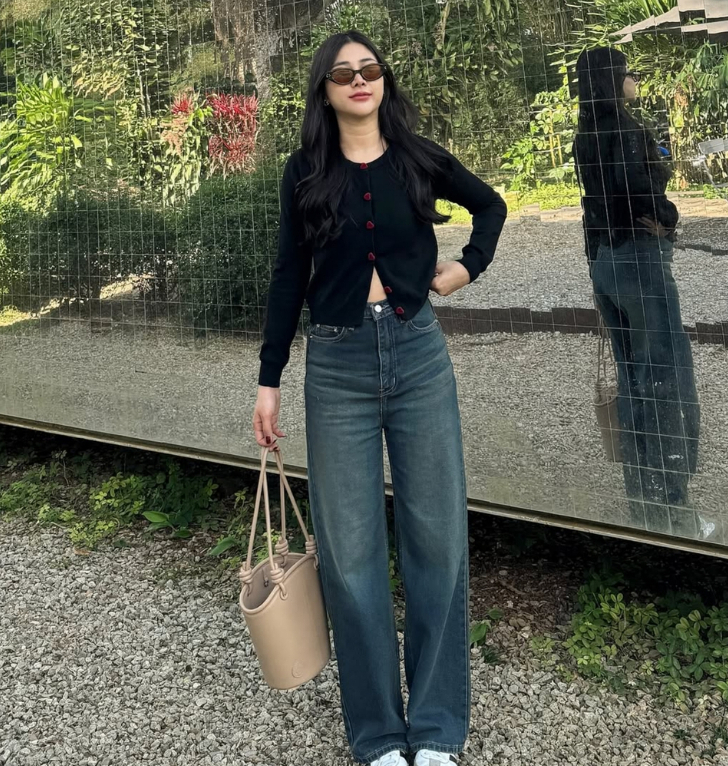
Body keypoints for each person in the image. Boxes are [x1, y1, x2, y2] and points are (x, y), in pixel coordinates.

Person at [251, 29, 507, 766]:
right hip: (337, 369)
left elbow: (490, 208)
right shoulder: (305, 172)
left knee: (437, 540)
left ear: (384, 81)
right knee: (351, 554)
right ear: (325, 91)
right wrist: (269, 379)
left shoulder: (418, 158)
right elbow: (288, 274)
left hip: (419, 357)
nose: (359, 80)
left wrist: (466, 268)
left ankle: (436, 727)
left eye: (370, 69)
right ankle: (377, 736)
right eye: (343, 73)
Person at [573, 47, 707, 539]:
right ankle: (674, 509)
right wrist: (666, 217)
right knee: (667, 375)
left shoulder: (586, 133)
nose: (633, 78)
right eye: (626, 71)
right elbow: (632, 187)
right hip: (637, 257)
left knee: (633, 378)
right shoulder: (626, 130)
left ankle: (643, 501)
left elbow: (596, 199)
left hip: (604, 259)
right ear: (613, 79)